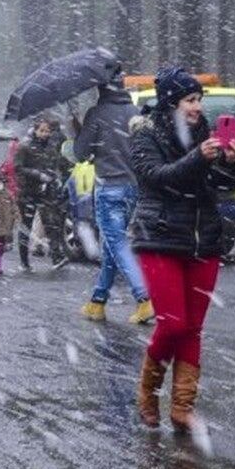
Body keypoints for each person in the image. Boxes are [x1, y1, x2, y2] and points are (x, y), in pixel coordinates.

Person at [131, 67, 235, 433]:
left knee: (193, 329)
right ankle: (148, 393)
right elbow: (158, 178)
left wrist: (233, 163)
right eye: (190, 100)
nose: (197, 107)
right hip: (161, 237)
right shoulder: (145, 134)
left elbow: (225, 184)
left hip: (203, 239)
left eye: (199, 100)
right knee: (173, 324)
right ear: (171, 103)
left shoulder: (207, 133)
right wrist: (199, 157)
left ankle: (183, 407)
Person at [74, 79, 154, 324]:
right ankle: (97, 302)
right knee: (111, 246)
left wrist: (78, 130)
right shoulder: (135, 112)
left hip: (109, 188)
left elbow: (80, 154)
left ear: (101, 88)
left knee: (117, 243)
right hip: (133, 188)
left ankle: (144, 298)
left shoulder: (97, 113)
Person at [14, 116, 72, 271]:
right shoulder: (24, 146)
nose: (45, 134)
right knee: (26, 226)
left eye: (48, 131)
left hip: (46, 191)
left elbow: (57, 164)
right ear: (35, 130)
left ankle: (56, 257)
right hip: (27, 191)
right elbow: (18, 167)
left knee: (51, 224)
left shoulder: (51, 147)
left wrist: (56, 176)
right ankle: (24, 261)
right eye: (42, 131)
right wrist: (37, 174)